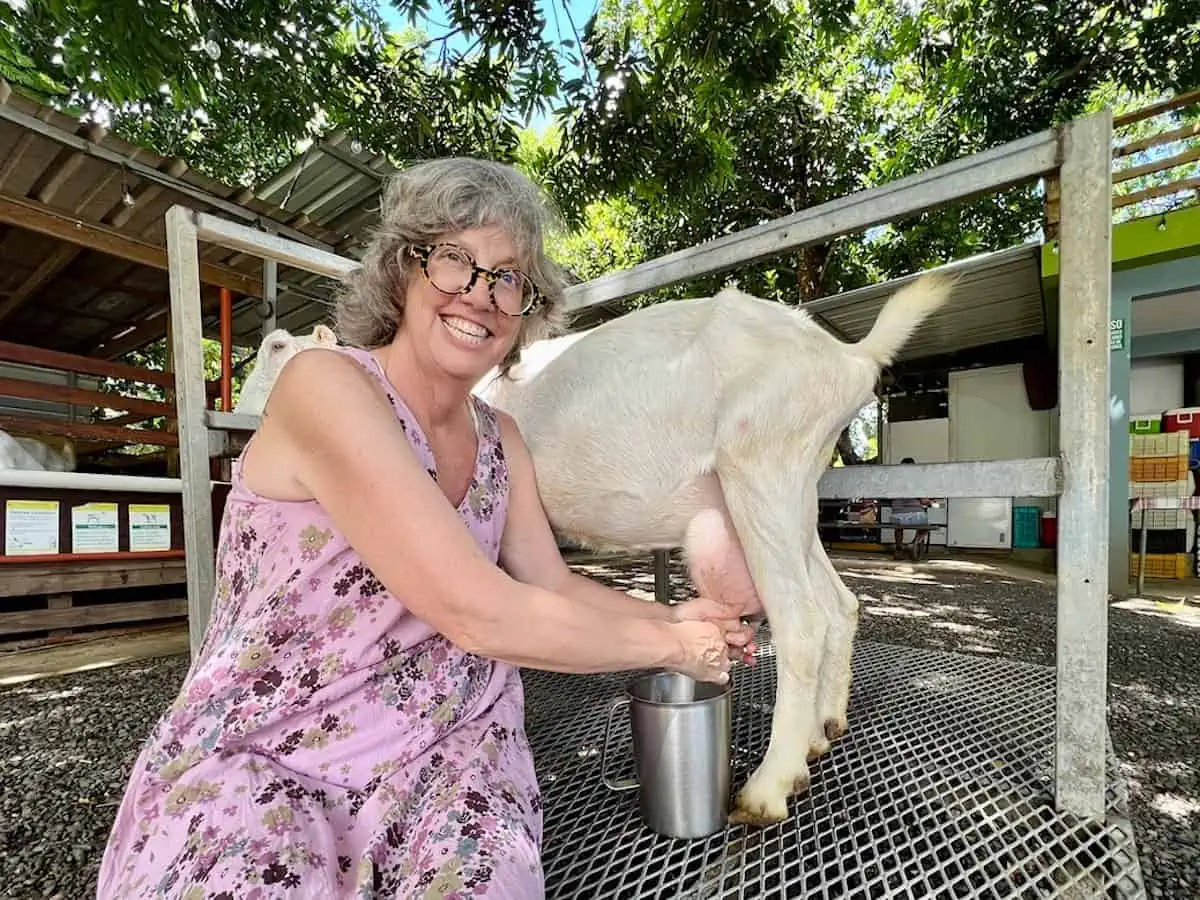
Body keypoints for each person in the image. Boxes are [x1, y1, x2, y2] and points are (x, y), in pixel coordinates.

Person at [96, 158, 755, 900]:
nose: (480, 294)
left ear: (526, 309)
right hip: (275, 744)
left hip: (454, 747)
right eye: (454, 261)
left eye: (509, 278)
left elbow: (549, 581)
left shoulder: (501, 436)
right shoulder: (326, 385)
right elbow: (477, 609)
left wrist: (682, 619)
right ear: (403, 269)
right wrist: (672, 646)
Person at [891, 457, 932, 560]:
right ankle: (912, 545)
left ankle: (898, 549)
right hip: (915, 516)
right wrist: (930, 501)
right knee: (926, 526)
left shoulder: (893, 481)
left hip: (896, 516)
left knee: (898, 527)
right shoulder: (916, 482)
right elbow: (923, 501)